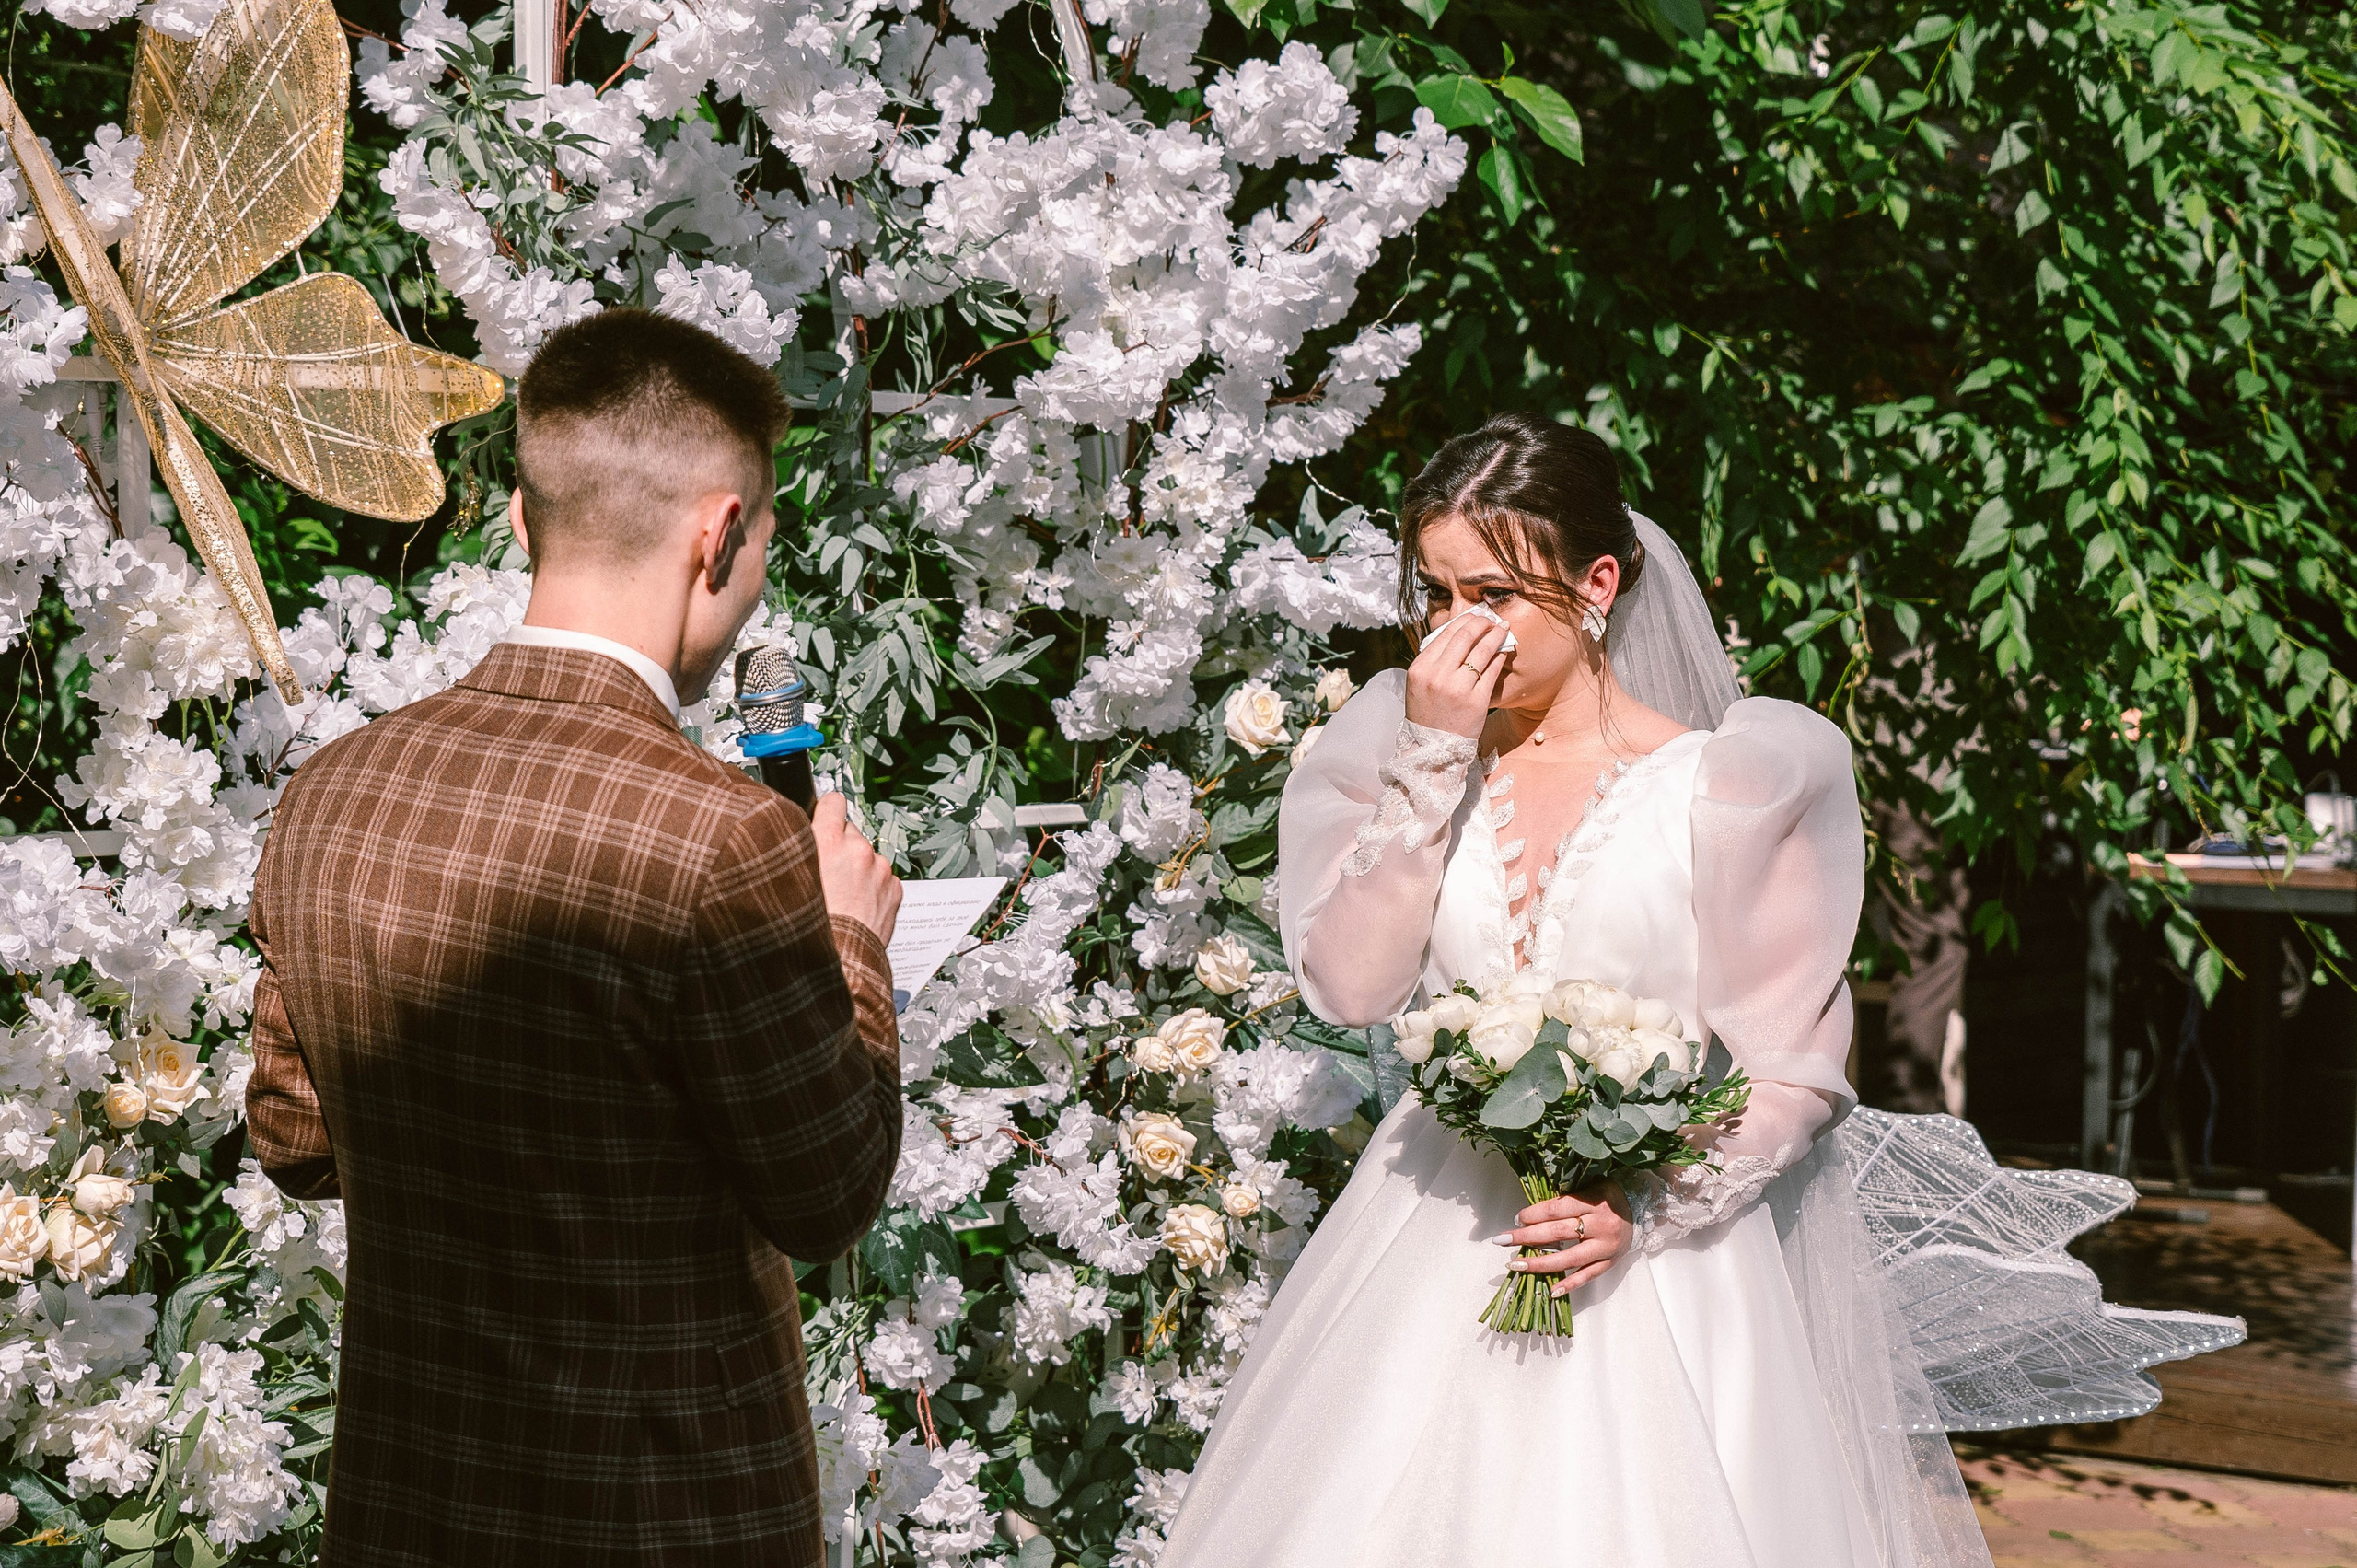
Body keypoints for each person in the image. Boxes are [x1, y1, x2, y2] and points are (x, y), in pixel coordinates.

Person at [1158, 413, 2239, 1568]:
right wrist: (1430, 762)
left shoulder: (1731, 783)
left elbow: (1793, 1071)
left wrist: (1647, 1204)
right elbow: (1351, 986)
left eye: (1495, 596)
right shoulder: (1407, 747)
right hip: (1430, 1234)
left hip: (1655, 1262)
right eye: (1435, 596)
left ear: (1598, 583)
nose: (1456, 633)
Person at [245, 309, 903, 1567]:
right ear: (718, 534)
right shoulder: (719, 836)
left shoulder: (332, 789)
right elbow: (827, 1192)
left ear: (517, 518)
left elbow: (293, 1136)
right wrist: (851, 944)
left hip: (409, 1505)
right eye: (762, 539)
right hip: (659, 1513)